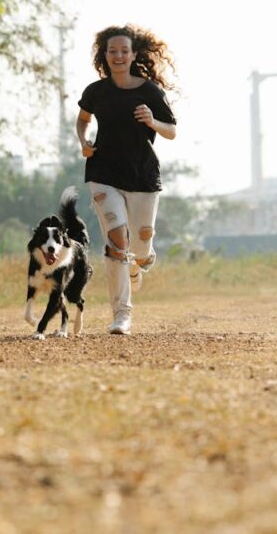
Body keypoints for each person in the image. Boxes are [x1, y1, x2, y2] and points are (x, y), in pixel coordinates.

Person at [75, 24, 177, 335]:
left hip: (142, 175)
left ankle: (139, 263)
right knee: (116, 241)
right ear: (104, 56)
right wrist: (84, 142)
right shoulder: (96, 91)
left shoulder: (149, 91)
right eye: (112, 51)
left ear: (133, 55)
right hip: (103, 172)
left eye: (123, 51)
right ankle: (122, 315)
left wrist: (151, 120)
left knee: (141, 244)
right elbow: (82, 121)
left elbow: (171, 131)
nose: (118, 56)